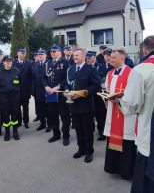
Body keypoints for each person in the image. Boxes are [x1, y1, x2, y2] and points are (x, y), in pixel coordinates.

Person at [121, 36, 154, 192]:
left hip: (148, 137)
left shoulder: (141, 69)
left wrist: (120, 102)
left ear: (145, 49)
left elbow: (132, 105)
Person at [103, 49, 136, 179]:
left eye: (113, 57)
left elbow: (134, 94)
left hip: (126, 114)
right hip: (112, 112)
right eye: (110, 57)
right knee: (113, 137)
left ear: (122, 58)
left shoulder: (132, 73)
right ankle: (113, 167)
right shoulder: (110, 73)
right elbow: (106, 88)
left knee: (126, 141)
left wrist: (120, 100)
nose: (110, 59)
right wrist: (106, 97)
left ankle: (126, 171)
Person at [65, 48, 101, 163]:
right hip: (73, 105)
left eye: (77, 55)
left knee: (88, 130)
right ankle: (81, 149)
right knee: (78, 129)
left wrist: (81, 94)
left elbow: (96, 86)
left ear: (84, 56)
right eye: (74, 55)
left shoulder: (91, 69)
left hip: (86, 106)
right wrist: (67, 92)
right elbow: (68, 84)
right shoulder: (70, 69)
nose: (74, 57)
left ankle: (89, 151)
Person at [42, 44, 70, 146]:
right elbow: (43, 77)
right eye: (51, 52)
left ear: (60, 52)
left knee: (64, 116)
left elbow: (67, 78)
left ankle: (66, 135)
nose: (52, 53)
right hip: (50, 94)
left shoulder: (65, 62)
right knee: (53, 115)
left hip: (61, 93)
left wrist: (57, 87)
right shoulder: (48, 63)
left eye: (54, 51)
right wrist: (46, 86)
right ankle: (56, 134)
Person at [0, 55, 21, 141]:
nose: (8, 63)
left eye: (10, 62)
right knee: (5, 115)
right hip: (3, 97)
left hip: (14, 97)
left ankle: (15, 132)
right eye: (6, 62)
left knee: (14, 115)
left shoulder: (16, 71)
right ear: (3, 62)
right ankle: (7, 133)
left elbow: (20, 84)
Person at [31, 48, 51, 132]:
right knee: (40, 108)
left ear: (45, 55)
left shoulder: (49, 64)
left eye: (42, 54)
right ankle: (42, 124)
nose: (40, 56)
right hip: (38, 90)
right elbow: (32, 78)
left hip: (47, 90)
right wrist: (33, 90)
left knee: (49, 108)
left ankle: (50, 125)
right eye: (39, 54)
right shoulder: (35, 65)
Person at [12, 48, 31, 128]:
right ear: (17, 53)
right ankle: (19, 121)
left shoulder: (28, 63)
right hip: (16, 89)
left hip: (25, 89)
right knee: (17, 107)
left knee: (26, 107)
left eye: (24, 53)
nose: (23, 54)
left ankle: (26, 121)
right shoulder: (13, 63)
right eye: (21, 53)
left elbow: (30, 77)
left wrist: (30, 90)